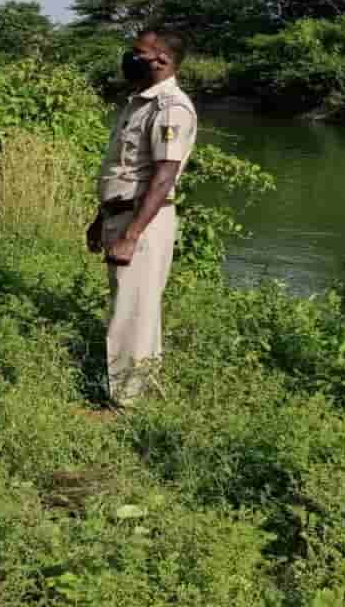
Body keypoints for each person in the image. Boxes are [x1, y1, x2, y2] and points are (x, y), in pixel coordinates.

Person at [86, 29, 198, 409]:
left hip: (144, 223)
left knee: (134, 313)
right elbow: (125, 169)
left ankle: (125, 404)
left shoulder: (171, 108)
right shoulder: (139, 102)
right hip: (122, 215)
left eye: (139, 53)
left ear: (161, 60)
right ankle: (133, 393)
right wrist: (101, 220)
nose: (130, 58)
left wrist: (132, 234)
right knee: (129, 306)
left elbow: (164, 176)